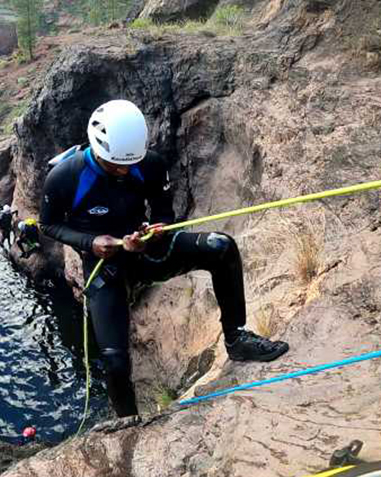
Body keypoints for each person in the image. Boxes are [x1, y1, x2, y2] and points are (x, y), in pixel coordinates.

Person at [39, 99, 290, 417]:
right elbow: (48, 224)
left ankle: (236, 338)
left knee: (221, 247)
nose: (123, 170)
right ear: (97, 150)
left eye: (129, 163)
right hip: (105, 265)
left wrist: (158, 230)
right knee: (114, 360)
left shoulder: (150, 164)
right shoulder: (65, 177)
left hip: (148, 251)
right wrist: (91, 242)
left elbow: (163, 209)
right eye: (114, 164)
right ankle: (128, 422)